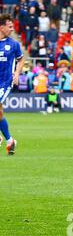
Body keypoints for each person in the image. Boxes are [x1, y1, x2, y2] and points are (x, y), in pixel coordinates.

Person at [0, 14, 25, 155]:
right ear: (1, 27)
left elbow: (21, 60)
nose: (12, 29)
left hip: (5, 82)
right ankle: (10, 141)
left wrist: (17, 73)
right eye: (9, 27)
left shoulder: (13, 44)